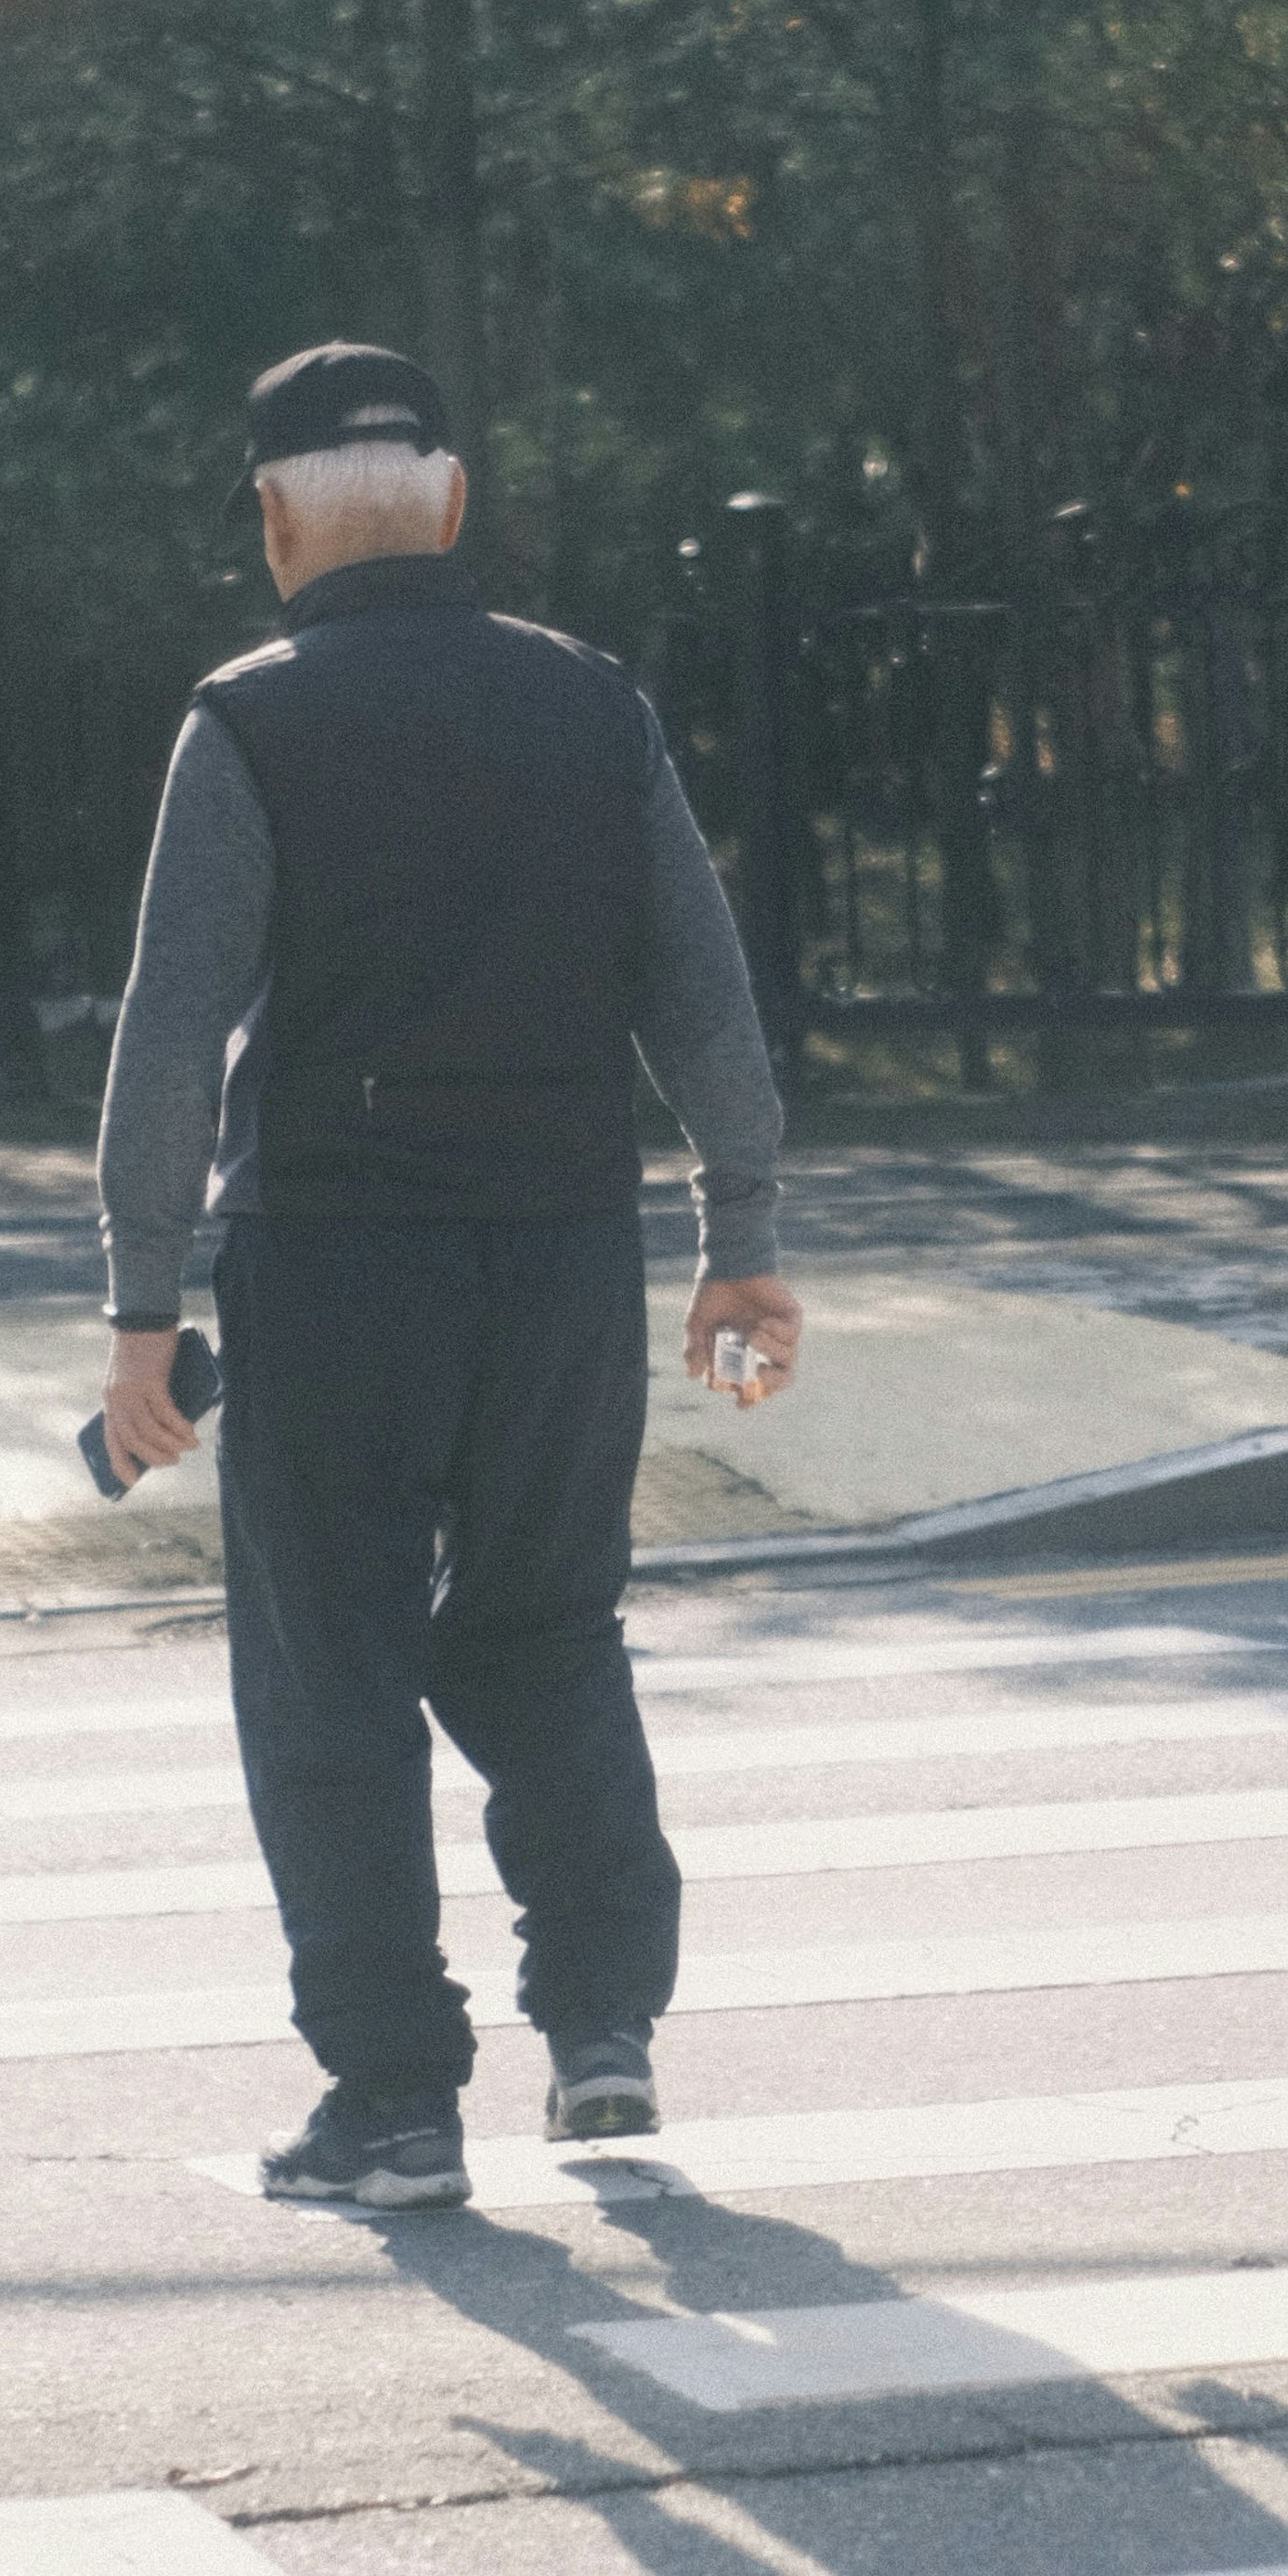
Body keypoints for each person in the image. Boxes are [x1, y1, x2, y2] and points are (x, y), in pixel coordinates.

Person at [92, 342, 798, 2213]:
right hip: (568, 1257)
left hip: (336, 1263)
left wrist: (140, 1307)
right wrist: (745, 1242)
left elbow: (173, 1032)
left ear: (271, 521)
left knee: (331, 1673)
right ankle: (606, 2034)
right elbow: (702, 992)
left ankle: (396, 2102)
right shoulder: (595, 706)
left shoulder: (250, 721)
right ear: (458, 504)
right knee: (547, 1625)